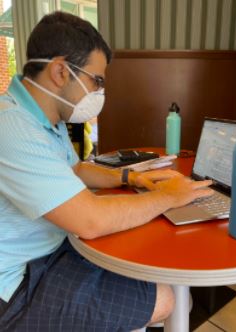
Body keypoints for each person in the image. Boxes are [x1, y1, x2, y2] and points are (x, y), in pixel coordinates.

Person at [0, 11, 213, 332]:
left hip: (52, 251)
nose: (99, 92)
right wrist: (168, 196)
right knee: (165, 299)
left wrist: (131, 177)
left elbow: (76, 169)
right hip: (18, 284)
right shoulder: (12, 127)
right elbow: (91, 221)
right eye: (95, 80)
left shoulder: (48, 119)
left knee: (149, 271)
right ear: (60, 71)